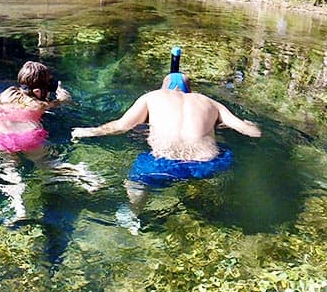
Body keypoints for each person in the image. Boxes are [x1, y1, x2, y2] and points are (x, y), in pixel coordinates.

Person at [71, 76, 261, 211]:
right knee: (223, 148)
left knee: (136, 180)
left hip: (163, 163)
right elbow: (252, 133)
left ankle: (133, 212)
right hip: (208, 164)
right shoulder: (209, 102)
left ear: (164, 88)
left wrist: (90, 131)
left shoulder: (152, 97)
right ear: (190, 90)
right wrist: (250, 124)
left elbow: (121, 126)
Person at [0, 60, 101, 221]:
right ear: (38, 91)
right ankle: (83, 174)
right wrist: (62, 96)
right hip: (27, 139)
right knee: (49, 163)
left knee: (10, 173)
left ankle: (19, 208)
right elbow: (64, 103)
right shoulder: (39, 104)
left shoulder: (6, 94)